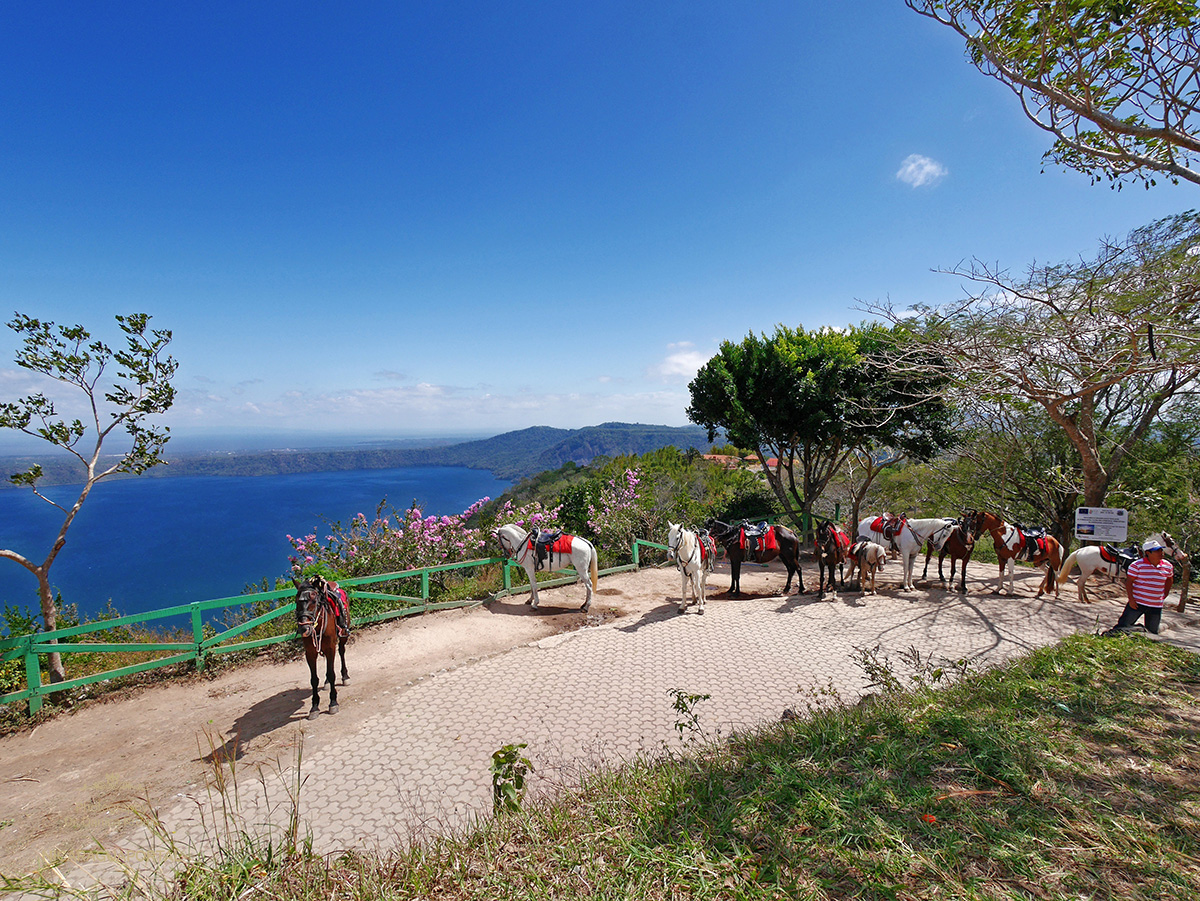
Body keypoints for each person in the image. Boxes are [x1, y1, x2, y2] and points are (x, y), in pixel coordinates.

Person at [1105, 538, 1175, 635]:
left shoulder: (1168, 566)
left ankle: (1140, 631)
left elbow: (1169, 580)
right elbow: (1129, 582)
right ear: (1148, 553)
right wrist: (1131, 599)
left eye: (1161, 550)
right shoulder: (1137, 565)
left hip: (1155, 605)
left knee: (1152, 633)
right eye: (1156, 551)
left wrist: (1164, 594)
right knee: (1122, 627)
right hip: (1137, 603)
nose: (1161, 553)